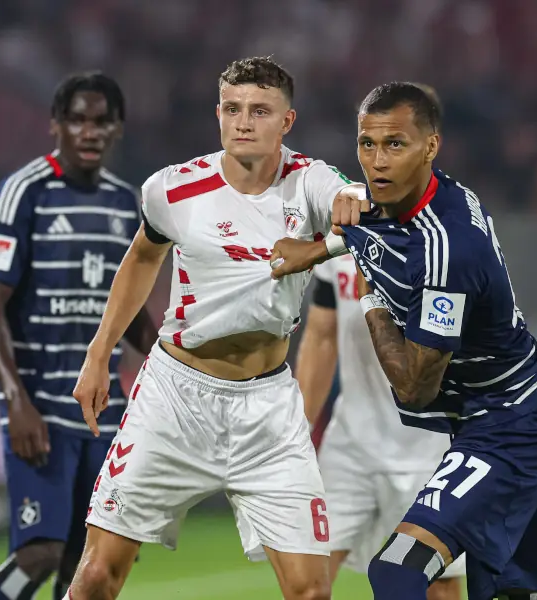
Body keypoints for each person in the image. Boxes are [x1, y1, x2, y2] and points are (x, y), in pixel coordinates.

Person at [66, 57, 365, 600]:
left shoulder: (311, 182)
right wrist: (98, 354)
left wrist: (327, 236)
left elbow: (360, 207)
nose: (244, 122)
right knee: (95, 579)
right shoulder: (173, 189)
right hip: (174, 398)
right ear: (218, 114)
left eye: (259, 111)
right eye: (232, 109)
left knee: (311, 592)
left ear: (287, 121)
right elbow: (140, 260)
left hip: (268, 408)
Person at [339, 83, 537, 600]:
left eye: (394, 144)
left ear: (431, 146)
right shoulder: (439, 194)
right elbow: (363, 208)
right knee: (523, 594)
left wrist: (371, 298)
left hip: (511, 421)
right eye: (366, 144)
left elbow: (414, 390)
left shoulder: (447, 252)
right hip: (511, 410)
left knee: (397, 569)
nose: (376, 161)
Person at [0, 72, 157, 600]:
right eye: (78, 119)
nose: (90, 131)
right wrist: (14, 398)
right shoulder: (22, 192)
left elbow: (134, 316)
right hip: (41, 407)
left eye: (102, 121)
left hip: (106, 414)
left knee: (88, 565)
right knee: (40, 553)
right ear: (56, 124)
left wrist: (182, 363)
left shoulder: (129, 206)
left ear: (118, 128)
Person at [296, 253, 466, 600]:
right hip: (351, 442)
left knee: (439, 585)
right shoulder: (340, 239)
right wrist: (298, 431)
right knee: (307, 577)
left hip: (429, 448)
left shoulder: (441, 244)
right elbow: (322, 335)